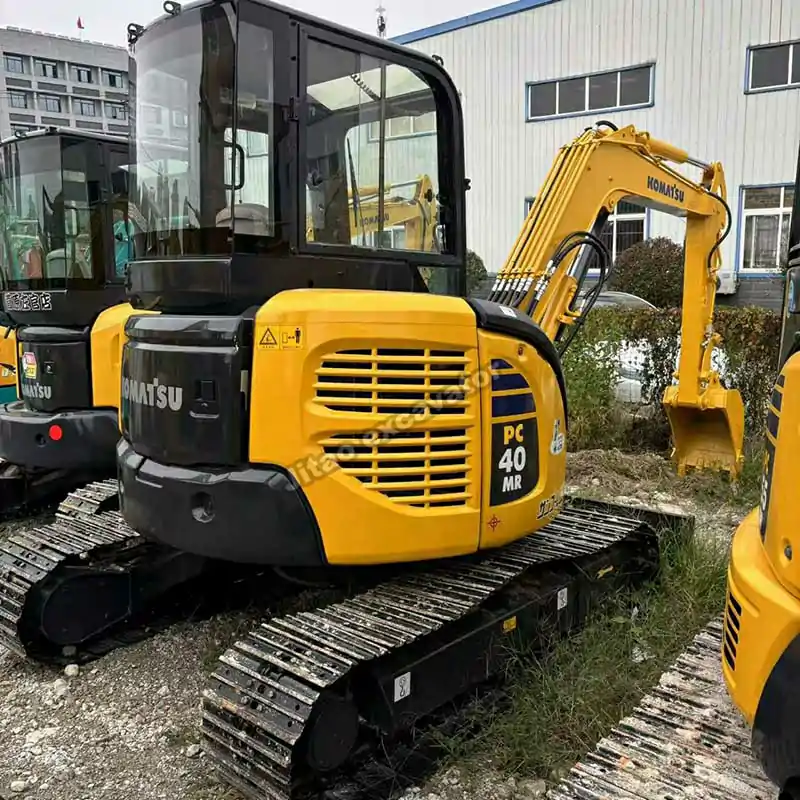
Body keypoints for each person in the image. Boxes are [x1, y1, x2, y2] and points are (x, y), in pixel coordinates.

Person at [113, 208, 135, 277]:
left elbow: (130, 237)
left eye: (115, 212)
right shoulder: (114, 227)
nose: (114, 214)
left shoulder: (127, 224)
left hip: (123, 268)